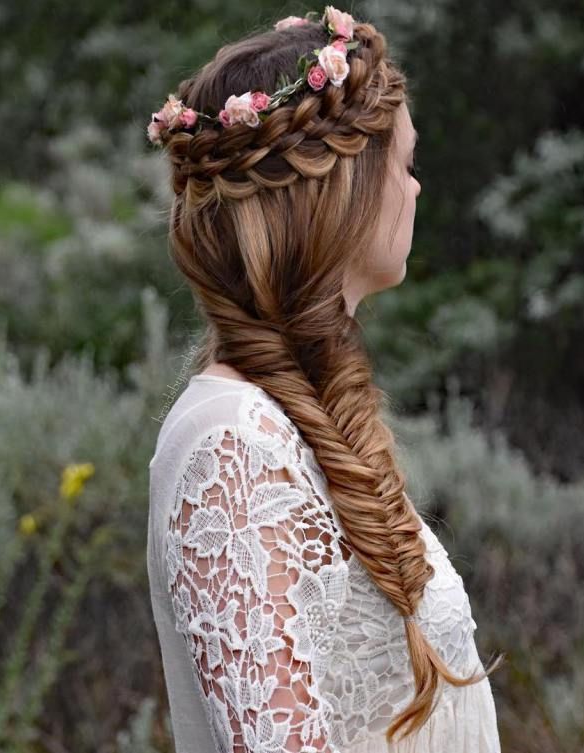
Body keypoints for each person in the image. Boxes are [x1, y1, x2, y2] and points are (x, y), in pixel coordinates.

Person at [146, 6, 505, 752]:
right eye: (403, 166)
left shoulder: (292, 421)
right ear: (339, 190)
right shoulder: (231, 442)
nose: (413, 191)